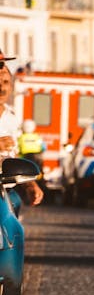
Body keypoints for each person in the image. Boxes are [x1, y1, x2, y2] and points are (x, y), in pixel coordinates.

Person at [0, 54, 43, 207]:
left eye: (6, 82)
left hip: (6, 192)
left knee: (15, 228)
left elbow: (13, 155)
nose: (2, 87)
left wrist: (30, 184)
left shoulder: (11, 117)